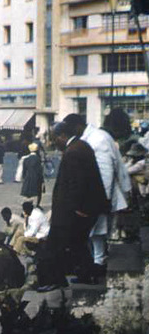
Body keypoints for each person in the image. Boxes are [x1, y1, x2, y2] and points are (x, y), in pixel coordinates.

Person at [49, 118, 109, 284]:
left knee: (76, 241)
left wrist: (78, 208)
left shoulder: (73, 152)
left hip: (82, 209)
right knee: (78, 241)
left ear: (62, 136)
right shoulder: (80, 146)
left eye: (54, 139)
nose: (54, 143)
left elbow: (77, 183)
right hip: (87, 207)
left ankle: (87, 275)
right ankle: (86, 273)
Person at [74, 113, 131, 272]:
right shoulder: (100, 137)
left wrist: (102, 200)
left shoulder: (98, 140)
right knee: (97, 231)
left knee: (96, 230)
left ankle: (98, 262)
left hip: (100, 195)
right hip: (101, 194)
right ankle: (97, 260)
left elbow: (106, 171)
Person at [20, 143, 44, 207]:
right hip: (36, 177)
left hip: (28, 177)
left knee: (27, 192)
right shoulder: (38, 159)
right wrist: (42, 180)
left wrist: (24, 177)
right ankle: (37, 205)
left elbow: (24, 171)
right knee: (37, 191)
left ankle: (27, 205)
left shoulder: (26, 159)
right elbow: (39, 170)